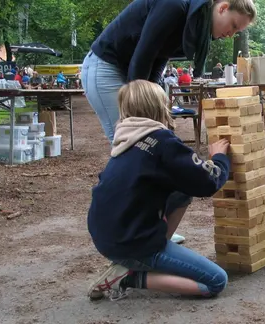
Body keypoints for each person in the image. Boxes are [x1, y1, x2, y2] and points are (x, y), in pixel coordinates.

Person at [81, 0, 256, 244]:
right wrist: (141, 108)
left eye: (237, 32)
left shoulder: (194, 27)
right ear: (223, 7)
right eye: (234, 25)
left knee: (154, 150)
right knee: (135, 150)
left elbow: (158, 60)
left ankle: (153, 228)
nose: (231, 34)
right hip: (108, 67)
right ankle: (132, 237)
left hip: (134, 71)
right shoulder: (175, 6)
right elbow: (143, 54)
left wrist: (156, 104)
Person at [86, 80, 231, 301]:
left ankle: (151, 252)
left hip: (107, 235)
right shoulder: (161, 141)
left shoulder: (125, 137)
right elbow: (207, 182)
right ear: (159, 106)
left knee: (182, 192)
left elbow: (184, 179)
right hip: (131, 242)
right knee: (215, 281)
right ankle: (129, 277)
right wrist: (219, 158)